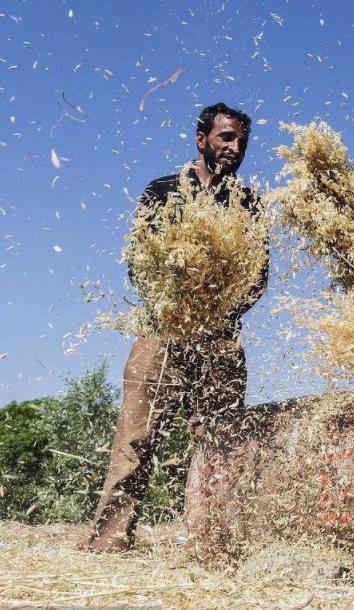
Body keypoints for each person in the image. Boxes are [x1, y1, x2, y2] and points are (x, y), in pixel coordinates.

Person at [80, 102, 268, 552]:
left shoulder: (248, 203)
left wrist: (221, 309)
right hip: (162, 330)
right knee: (135, 438)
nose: (234, 148)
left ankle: (208, 542)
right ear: (202, 139)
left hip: (220, 337)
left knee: (218, 441)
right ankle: (109, 542)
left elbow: (257, 277)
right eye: (226, 138)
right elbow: (139, 265)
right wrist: (178, 296)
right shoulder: (161, 190)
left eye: (241, 141)